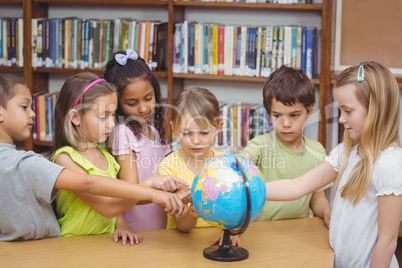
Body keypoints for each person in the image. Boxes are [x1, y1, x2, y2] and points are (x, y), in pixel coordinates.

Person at [0, 74, 188, 242]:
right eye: (103, 117)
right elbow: (105, 205)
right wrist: (149, 188)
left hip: (104, 243)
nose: (112, 123)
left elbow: (114, 203)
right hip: (75, 244)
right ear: (76, 118)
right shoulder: (64, 158)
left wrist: (121, 225)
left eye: (113, 115)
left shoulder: (107, 155)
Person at [265, 61, 402, 267]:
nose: (340, 119)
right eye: (340, 110)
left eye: (348, 111)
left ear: (375, 110)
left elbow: (388, 241)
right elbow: (298, 186)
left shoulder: (390, 163)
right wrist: (248, 189)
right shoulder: (346, 153)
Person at [211, 65, 333, 246]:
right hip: (260, 234)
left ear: (310, 110)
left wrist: (327, 212)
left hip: (297, 234)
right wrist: (244, 157)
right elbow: (245, 158)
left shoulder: (318, 152)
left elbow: (317, 198)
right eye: (277, 115)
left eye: (294, 115)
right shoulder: (260, 144)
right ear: (269, 113)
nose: (285, 123)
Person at [157, 87, 240, 245]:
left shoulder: (226, 164)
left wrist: (233, 233)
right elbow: (182, 226)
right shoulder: (168, 168)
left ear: (217, 128)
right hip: (183, 245)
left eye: (203, 133)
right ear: (174, 128)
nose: (195, 141)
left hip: (218, 243)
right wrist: (192, 212)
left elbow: (236, 211)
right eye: (187, 133)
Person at [104, 49, 173, 231]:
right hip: (137, 230)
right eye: (132, 103)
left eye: (148, 98)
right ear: (118, 104)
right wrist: (161, 194)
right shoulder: (122, 133)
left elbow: (172, 169)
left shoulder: (154, 131)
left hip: (161, 227)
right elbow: (131, 193)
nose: (143, 108)